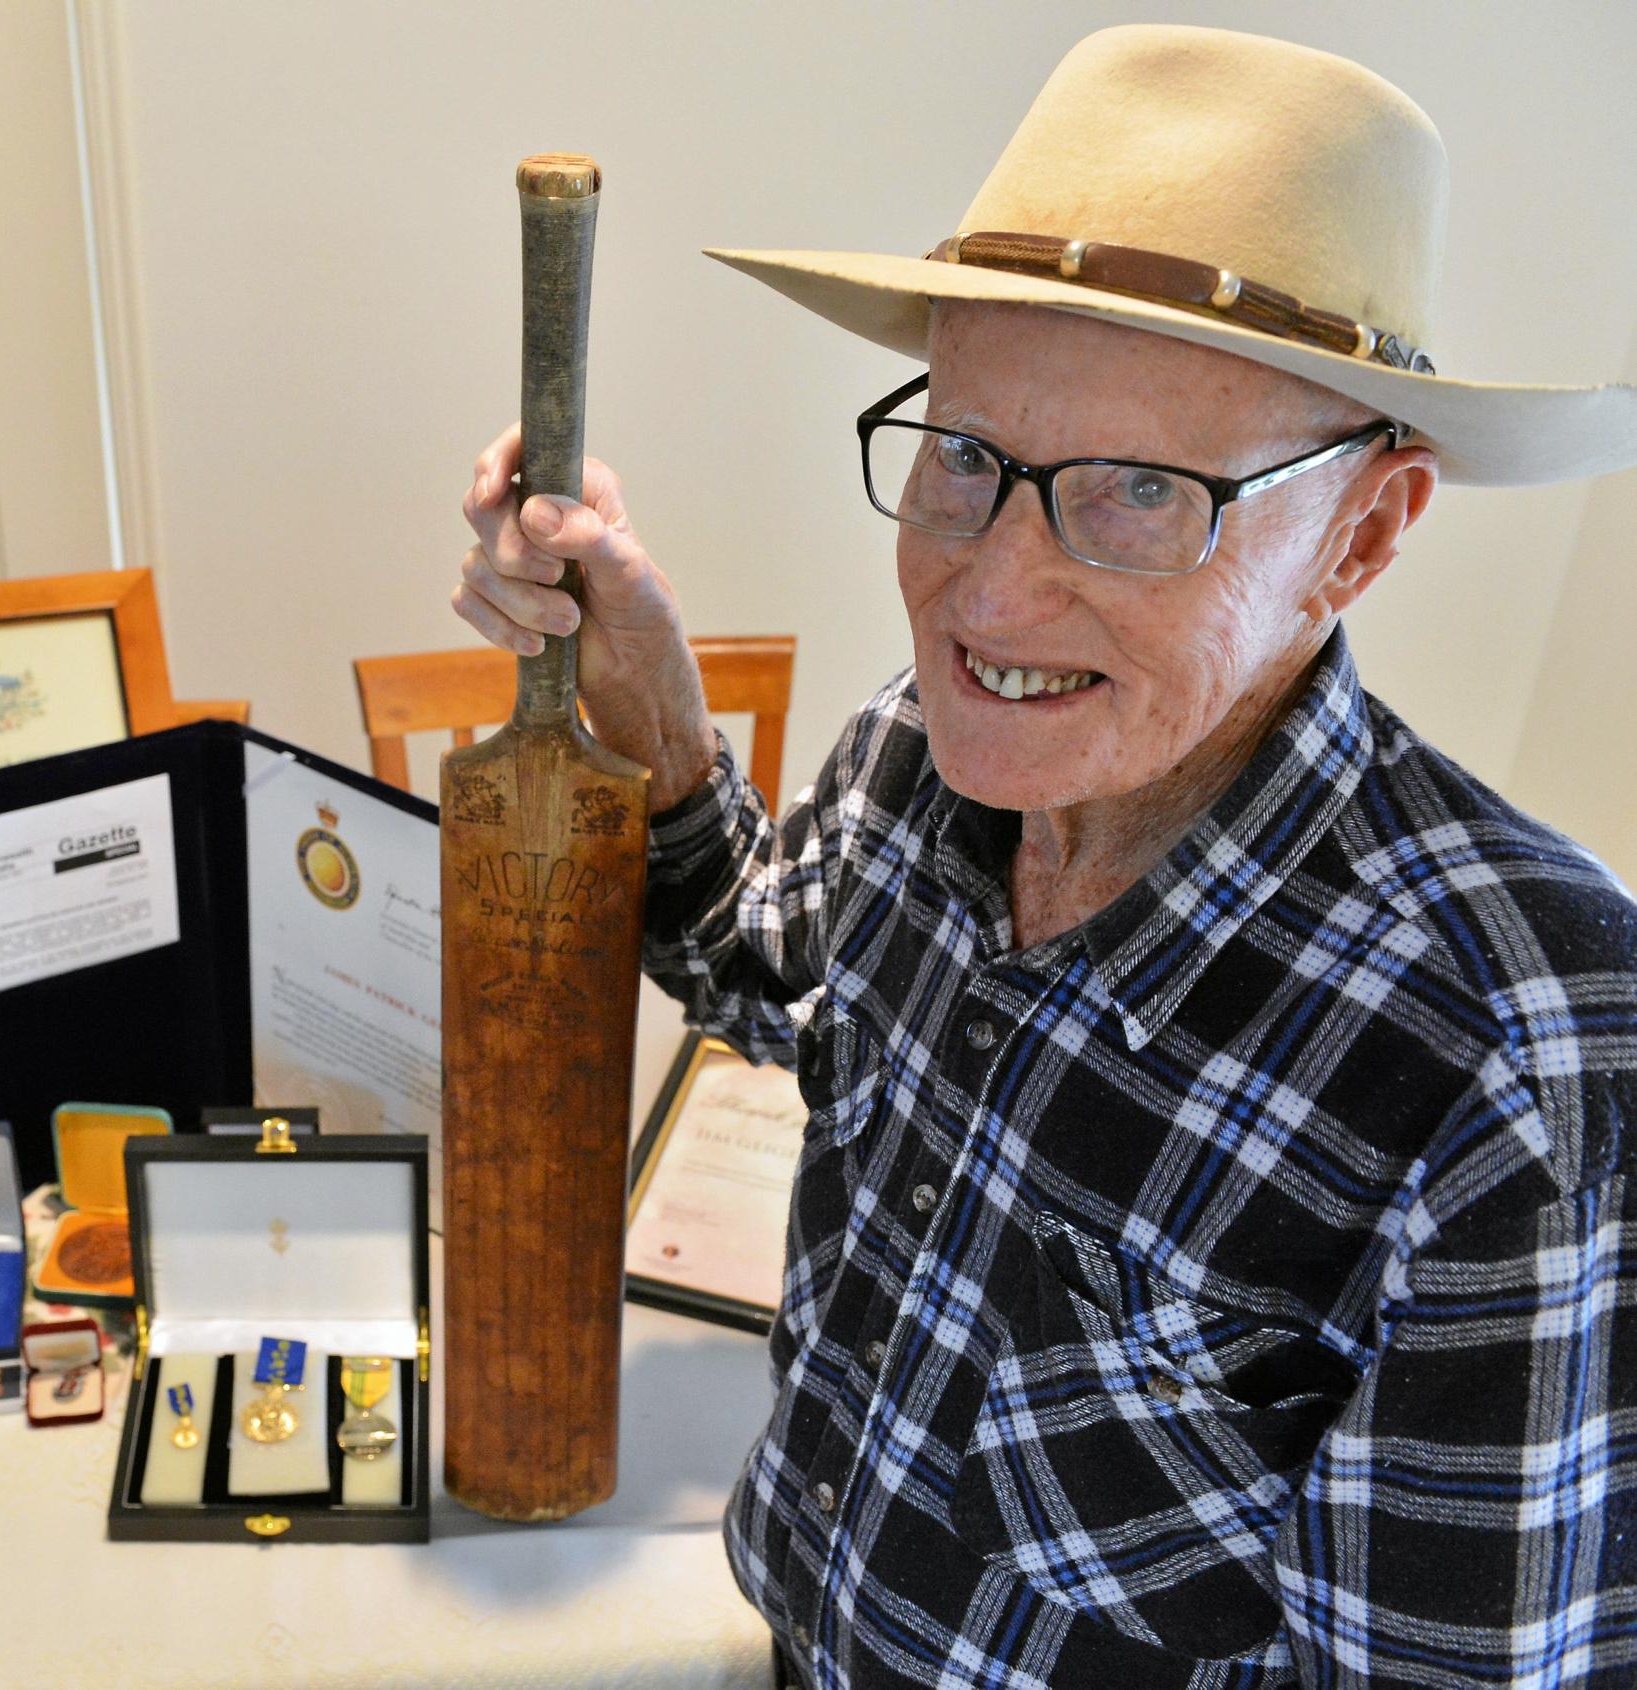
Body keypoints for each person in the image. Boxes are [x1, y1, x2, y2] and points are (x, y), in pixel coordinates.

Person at [452, 25, 1637, 1689]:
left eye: (1139, 491)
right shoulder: (916, 761)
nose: (987, 597)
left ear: (1360, 533)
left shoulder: (1519, 1057)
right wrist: (647, 694)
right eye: (962, 457)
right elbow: (748, 961)